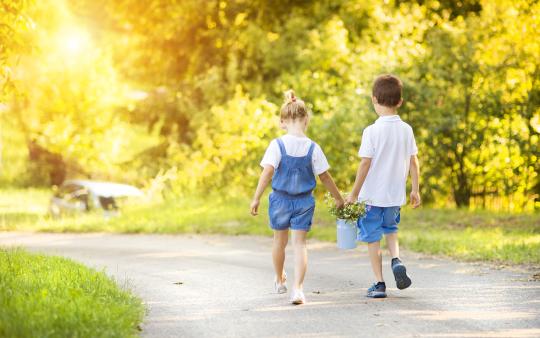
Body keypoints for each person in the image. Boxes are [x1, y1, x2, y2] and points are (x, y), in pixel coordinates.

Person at [250, 90, 344, 305]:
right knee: (299, 245)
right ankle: (298, 289)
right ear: (306, 120)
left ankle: (279, 278)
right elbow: (325, 176)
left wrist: (256, 198)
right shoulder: (313, 147)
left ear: (282, 122)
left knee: (279, 242)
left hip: (280, 200)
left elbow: (267, 172)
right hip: (304, 201)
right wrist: (338, 198)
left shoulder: (277, 145)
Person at [345, 74, 421, 298]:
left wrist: (354, 194)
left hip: (371, 198)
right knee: (391, 229)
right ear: (400, 102)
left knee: (372, 238)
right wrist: (415, 189)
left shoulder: (371, 131)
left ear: (374, 99)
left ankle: (379, 284)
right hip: (394, 197)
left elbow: (365, 163)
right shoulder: (406, 130)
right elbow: (413, 161)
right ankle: (396, 259)